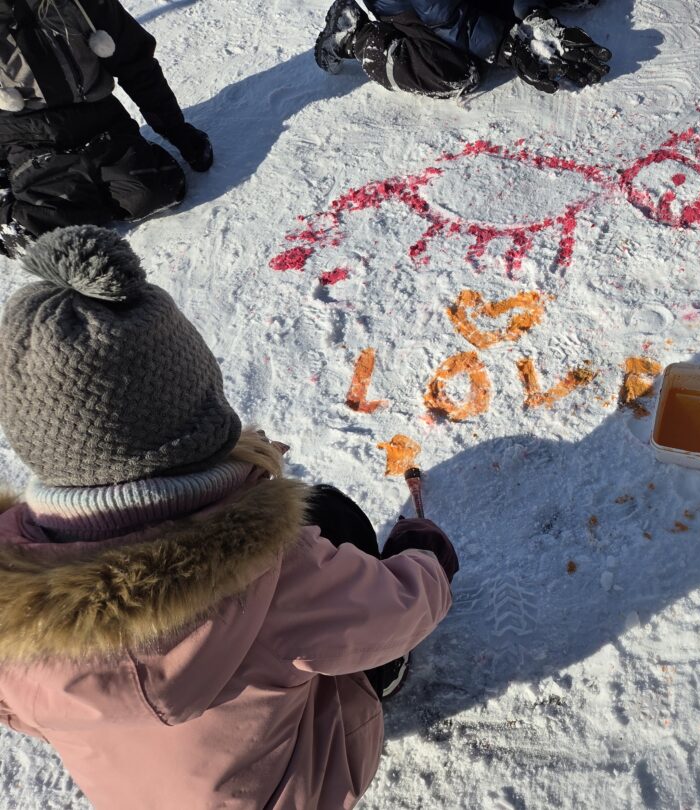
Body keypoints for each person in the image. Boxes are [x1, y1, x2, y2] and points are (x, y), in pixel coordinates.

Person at [0, 226, 458, 809]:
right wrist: (428, 558)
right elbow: (398, 611)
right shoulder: (272, 575)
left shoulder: (10, 610)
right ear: (200, 414)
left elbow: (21, 710)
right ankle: (383, 680)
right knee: (333, 517)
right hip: (292, 792)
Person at [0, 0, 214, 257]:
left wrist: (176, 129)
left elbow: (135, 63)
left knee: (156, 191)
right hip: (28, 136)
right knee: (56, 235)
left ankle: (88, 181)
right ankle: (12, 217)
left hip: (99, 117)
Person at [313, 0, 611, 98]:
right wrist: (508, 47)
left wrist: (533, 13)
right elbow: (442, 13)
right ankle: (354, 34)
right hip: (415, 9)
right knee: (452, 71)